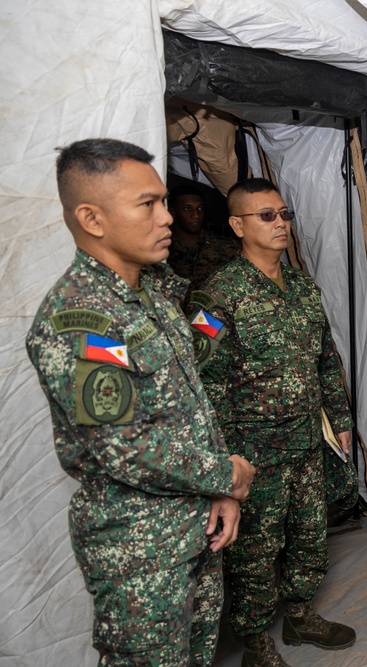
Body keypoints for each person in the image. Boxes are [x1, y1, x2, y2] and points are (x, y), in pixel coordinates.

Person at [25, 138, 256, 665]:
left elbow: (190, 403)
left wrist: (218, 493)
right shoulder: (83, 319)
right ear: (93, 218)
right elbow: (124, 447)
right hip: (141, 555)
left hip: (194, 527)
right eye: (147, 204)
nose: (167, 217)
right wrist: (226, 474)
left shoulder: (151, 291)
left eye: (164, 201)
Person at [191, 178, 356, 666]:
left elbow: (325, 357)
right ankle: (257, 642)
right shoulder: (216, 297)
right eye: (267, 216)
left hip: (307, 441)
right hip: (252, 454)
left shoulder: (302, 284)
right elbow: (206, 385)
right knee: (254, 554)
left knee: (310, 533)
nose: (281, 223)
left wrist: (340, 417)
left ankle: (302, 616)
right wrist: (223, 465)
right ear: (238, 225)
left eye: (284, 214)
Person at [166, 183, 239, 290]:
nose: (196, 215)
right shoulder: (163, 250)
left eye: (200, 209)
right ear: (173, 212)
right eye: (187, 209)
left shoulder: (225, 247)